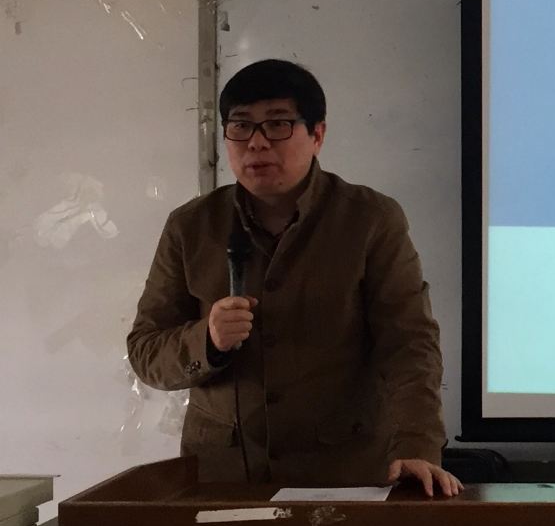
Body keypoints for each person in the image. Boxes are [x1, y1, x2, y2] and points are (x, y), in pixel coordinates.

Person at [127, 59, 461, 496]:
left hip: (342, 473)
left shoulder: (369, 219)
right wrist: (206, 340)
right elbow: (146, 350)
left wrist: (417, 445)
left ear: (317, 134)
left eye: (278, 124)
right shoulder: (191, 226)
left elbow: (409, 343)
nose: (257, 143)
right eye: (241, 126)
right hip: (223, 477)